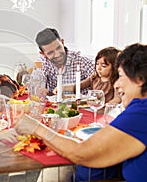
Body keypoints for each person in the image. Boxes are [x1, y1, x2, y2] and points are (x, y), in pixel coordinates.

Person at [14, 43, 147, 181]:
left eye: (120, 76)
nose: (116, 84)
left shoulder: (141, 112)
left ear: (140, 79)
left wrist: (36, 127)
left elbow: (81, 153)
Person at [35, 27, 94, 95]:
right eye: (50, 53)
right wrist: (40, 89)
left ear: (62, 42)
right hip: (54, 105)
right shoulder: (43, 63)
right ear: (43, 54)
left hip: (80, 104)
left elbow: (98, 78)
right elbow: (37, 84)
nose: (57, 54)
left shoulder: (80, 61)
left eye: (58, 48)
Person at [53, 46, 122, 104]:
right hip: (92, 108)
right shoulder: (94, 77)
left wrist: (106, 106)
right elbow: (78, 86)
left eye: (103, 66)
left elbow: (117, 98)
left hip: (106, 111)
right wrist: (62, 87)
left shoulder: (116, 81)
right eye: (97, 64)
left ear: (114, 67)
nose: (99, 68)